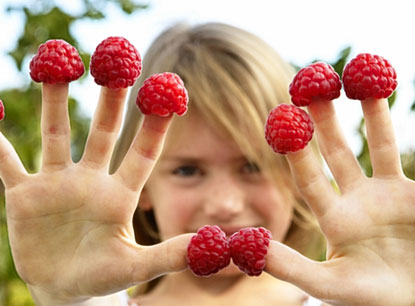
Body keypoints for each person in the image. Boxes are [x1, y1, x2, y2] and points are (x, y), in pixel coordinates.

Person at [0, 22, 413, 306]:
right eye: (187, 171)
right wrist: (62, 299)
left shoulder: (367, 298)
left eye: (252, 165)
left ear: (300, 176)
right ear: (140, 187)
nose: (225, 205)